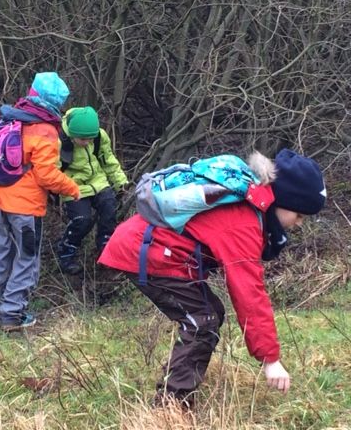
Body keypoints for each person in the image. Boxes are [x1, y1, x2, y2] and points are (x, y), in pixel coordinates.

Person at [97, 149, 327, 407]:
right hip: (147, 252)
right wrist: (270, 359)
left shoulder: (248, 204)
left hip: (149, 248)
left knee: (208, 314)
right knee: (202, 321)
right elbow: (248, 292)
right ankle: (170, 405)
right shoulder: (243, 219)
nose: (299, 224)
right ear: (284, 201)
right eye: (299, 215)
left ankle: (176, 382)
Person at [0, 72, 80, 333]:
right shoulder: (45, 130)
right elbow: (46, 175)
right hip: (26, 209)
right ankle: (12, 316)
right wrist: (72, 188)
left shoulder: (7, 117)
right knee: (26, 260)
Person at [56, 106, 128, 273]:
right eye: (82, 139)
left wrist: (121, 182)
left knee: (109, 207)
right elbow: (52, 170)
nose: (87, 142)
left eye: (90, 138)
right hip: (73, 185)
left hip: (98, 180)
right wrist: (62, 189)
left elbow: (108, 159)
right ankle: (66, 252)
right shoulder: (59, 142)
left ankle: (105, 245)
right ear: (73, 135)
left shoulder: (99, 136)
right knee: (82, 220)